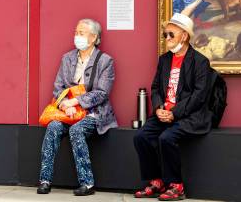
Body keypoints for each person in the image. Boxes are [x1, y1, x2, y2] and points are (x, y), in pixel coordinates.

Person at [134, 13, 213, 201]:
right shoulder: (164, 60)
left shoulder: (200, 61)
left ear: (184, 36)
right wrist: (159, 107)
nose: (167, 38)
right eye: (165, 35)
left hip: (188, 116)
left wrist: (174, 113)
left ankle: (176, 185)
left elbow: (199, 96)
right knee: (141, 137)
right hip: (164, 113)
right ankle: (156, 181)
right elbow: (155, 88)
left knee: (166, 138)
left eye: (171, 34)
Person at [37, 19, 117, 196]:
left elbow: (102, 92)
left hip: (93, 113)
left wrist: (77, 102)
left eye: (81, 33)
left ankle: (87, 183)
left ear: (94, 37)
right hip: (68, 112)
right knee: (53, 126)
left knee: (76, 130)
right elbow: (58, 88)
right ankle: (45, 180)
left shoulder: (105, 61)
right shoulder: (67, 58)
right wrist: (66, 107)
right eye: (76, 32)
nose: (77, 36)